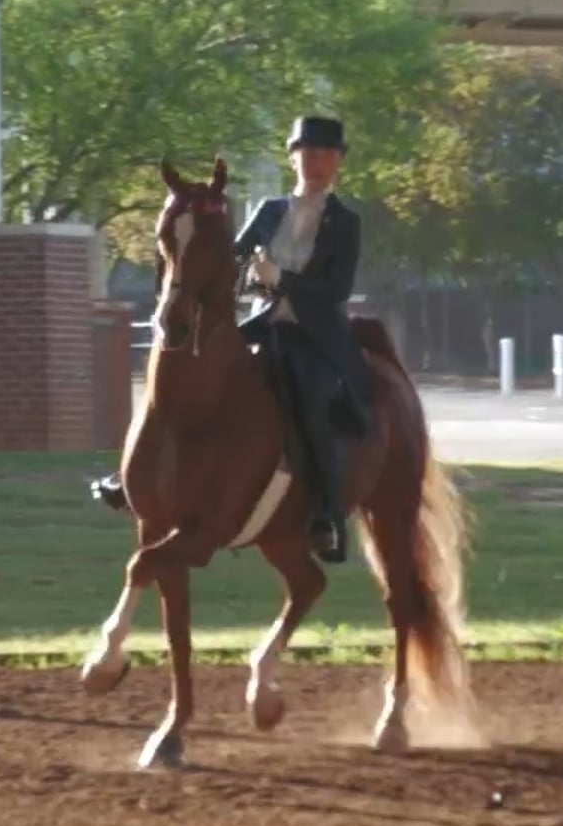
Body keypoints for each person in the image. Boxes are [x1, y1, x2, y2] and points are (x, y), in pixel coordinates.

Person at [90, 116, 372, 564]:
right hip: (263, 325)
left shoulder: (346, 222)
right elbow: (230, 262)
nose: (316, 162)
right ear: (293, 157)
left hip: (314, 338)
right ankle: (135, 478)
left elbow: (335, 290)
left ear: (337, 162)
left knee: (313, 400)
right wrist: (226, 261)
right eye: (307, 153)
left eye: (325, 155)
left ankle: (327, 514)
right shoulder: (268, 211)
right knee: (188, 375)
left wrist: (281, 277)